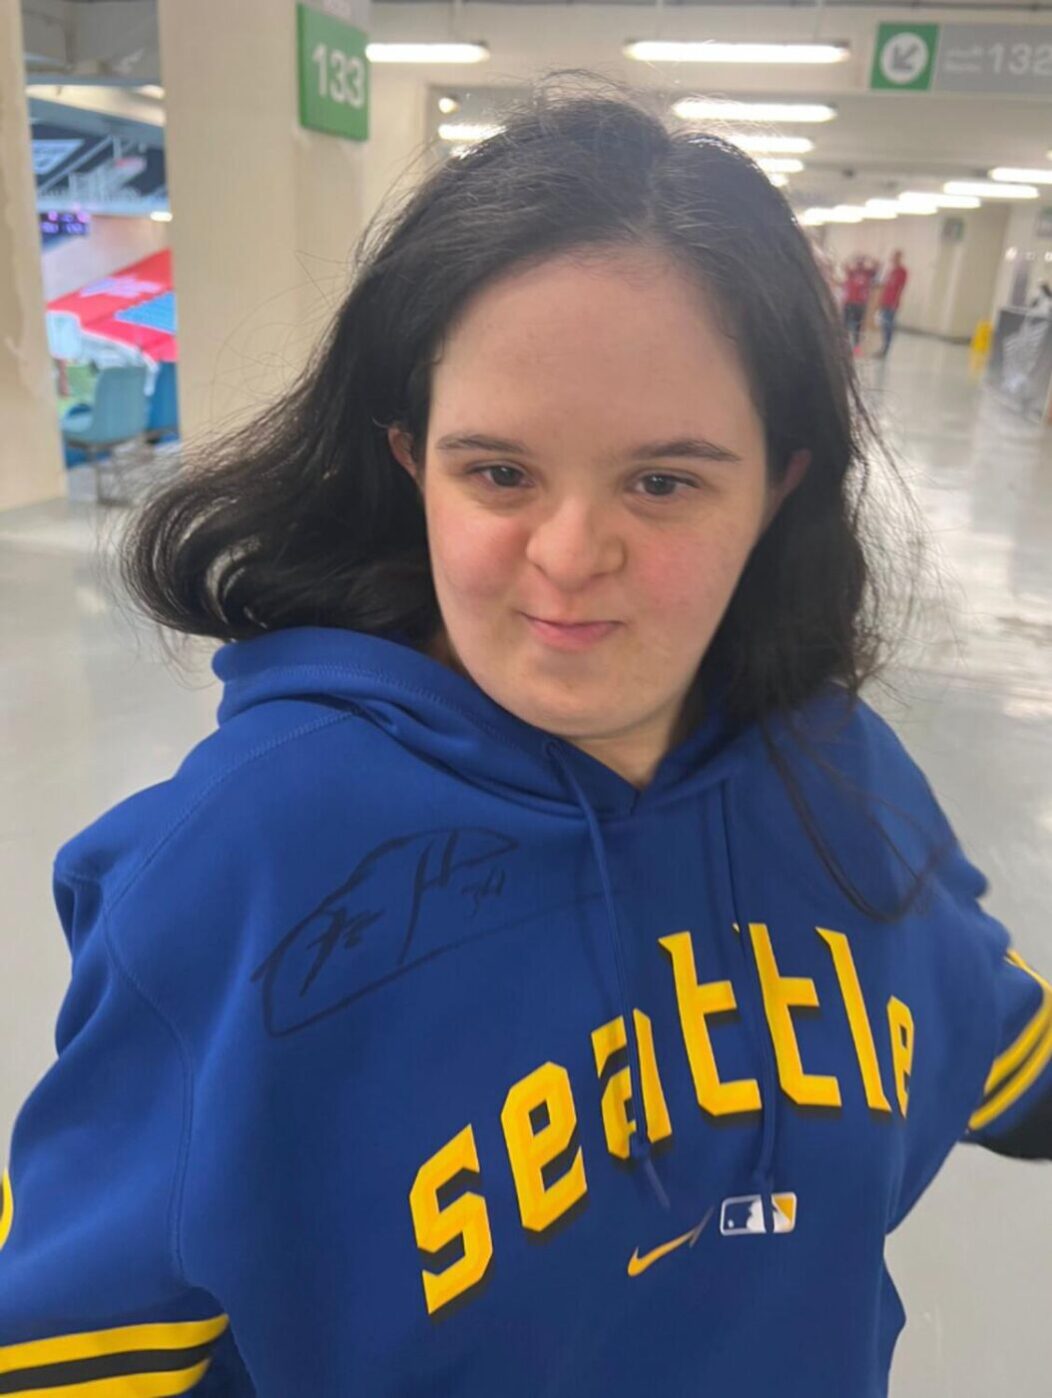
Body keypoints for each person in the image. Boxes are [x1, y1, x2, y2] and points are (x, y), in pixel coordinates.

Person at [1, 78, 1049, 1397]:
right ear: (411, 461)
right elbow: (65, 1352)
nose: (567, 556)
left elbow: (991, 1036)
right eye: (498, 472)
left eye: (662, 481)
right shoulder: (241, 863)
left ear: (779, 484)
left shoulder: (835, 771)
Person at [877, 250, 909, 358]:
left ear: (900, 258)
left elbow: (901, 288)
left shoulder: (902, 271)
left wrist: (895, 302)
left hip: (892, 303)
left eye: (896, 257)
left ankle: (886, 348)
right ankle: (883, 347)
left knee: (888, 325)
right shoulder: (890, 271)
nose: (893, 259)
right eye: (893, 257)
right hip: (885, 301)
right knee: (883, 325)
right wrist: (881, 300)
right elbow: (885, 286)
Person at [841, 252, 875, 351]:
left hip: (860, 304)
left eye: (861, 262)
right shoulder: (852, 272)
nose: (860, 264)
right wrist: (853, 257)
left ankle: (856, 346)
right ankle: (843, 344)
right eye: (858, 262)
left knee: (857, 326)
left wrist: (868, 257)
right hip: (849, 302)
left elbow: (877, 265)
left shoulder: (868, 273)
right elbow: (844, 265)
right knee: (844, 325)